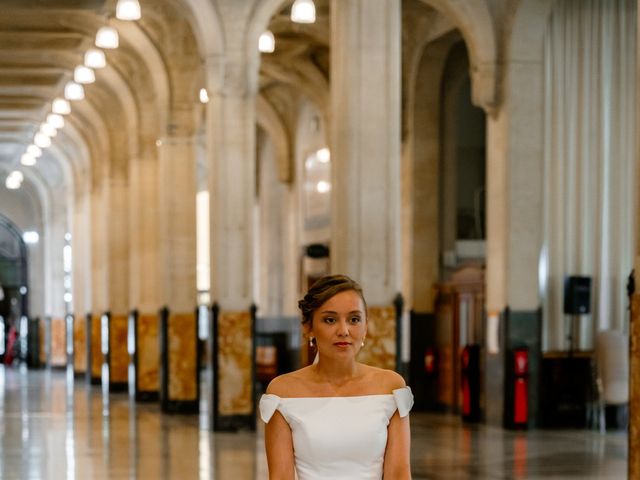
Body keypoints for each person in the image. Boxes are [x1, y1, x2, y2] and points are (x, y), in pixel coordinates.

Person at [259, 274, 413, 479]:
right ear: (308, 328)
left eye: (354, 319)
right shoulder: (282, 393)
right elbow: (281, 476)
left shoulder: (391, 387)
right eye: (330, 320)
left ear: (366, 326)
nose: (344, 330)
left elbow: (399, 474)